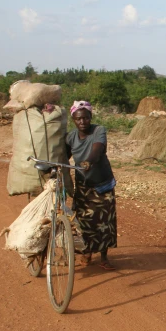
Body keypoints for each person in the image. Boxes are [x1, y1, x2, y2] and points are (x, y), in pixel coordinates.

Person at [65, 100, 118, 269]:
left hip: (102, 183)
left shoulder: (99, 131)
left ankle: (103, 257)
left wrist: (89, 161)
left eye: (86, 118)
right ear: (73, 119)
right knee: (83, 220)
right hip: (83, 184)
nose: (82, 122)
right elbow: (64, 156)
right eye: (78, 119)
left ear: (90, 117)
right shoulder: (71, 137)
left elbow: (97, 149)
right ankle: (86, 253)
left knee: (104, 221)